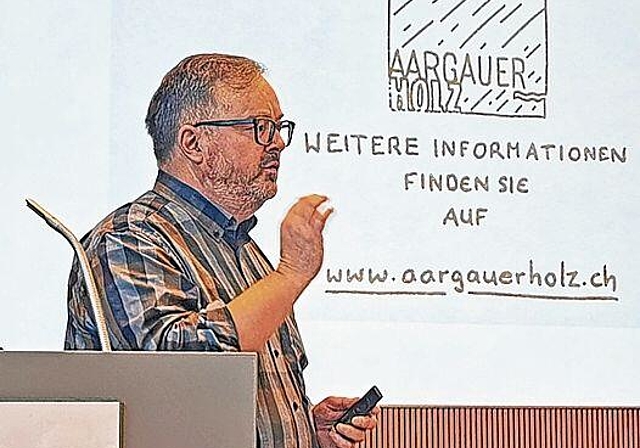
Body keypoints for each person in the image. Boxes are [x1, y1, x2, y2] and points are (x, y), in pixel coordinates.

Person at [65, 53, 378, 448]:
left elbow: (228, 406)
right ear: (194, 143)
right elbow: (179, 370)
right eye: (260, 127)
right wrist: (291, 276)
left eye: (280, 128)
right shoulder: (130, 238)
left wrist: (301, 430)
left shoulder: (248, 253)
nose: (278, 143)